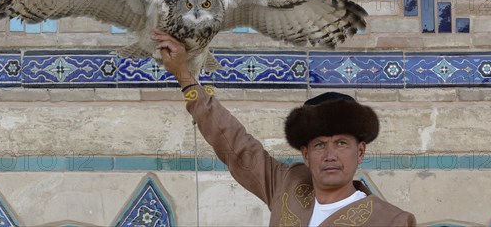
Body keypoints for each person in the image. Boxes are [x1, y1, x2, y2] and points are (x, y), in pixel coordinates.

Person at [152, 29, 416, 226]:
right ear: (305, 154)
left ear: (360, 152)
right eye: (320, 145)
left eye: (341, 143)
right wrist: (184, 76)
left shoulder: (391, 221)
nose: (330, 155)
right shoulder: (287, 185)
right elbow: (235, 143)